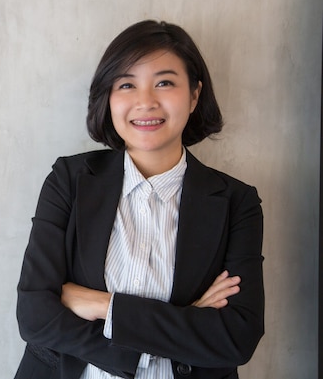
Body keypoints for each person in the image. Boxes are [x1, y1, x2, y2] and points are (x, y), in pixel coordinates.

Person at [14, 20, 264, 379]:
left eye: (164, 82)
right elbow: (35, 315)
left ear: (194, 95)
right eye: (127, 84)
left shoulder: (236, 203)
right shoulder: (69, 181)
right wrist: (185, 321)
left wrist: (103, 305)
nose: (145, 101)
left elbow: (237, 337)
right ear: (109, 97)